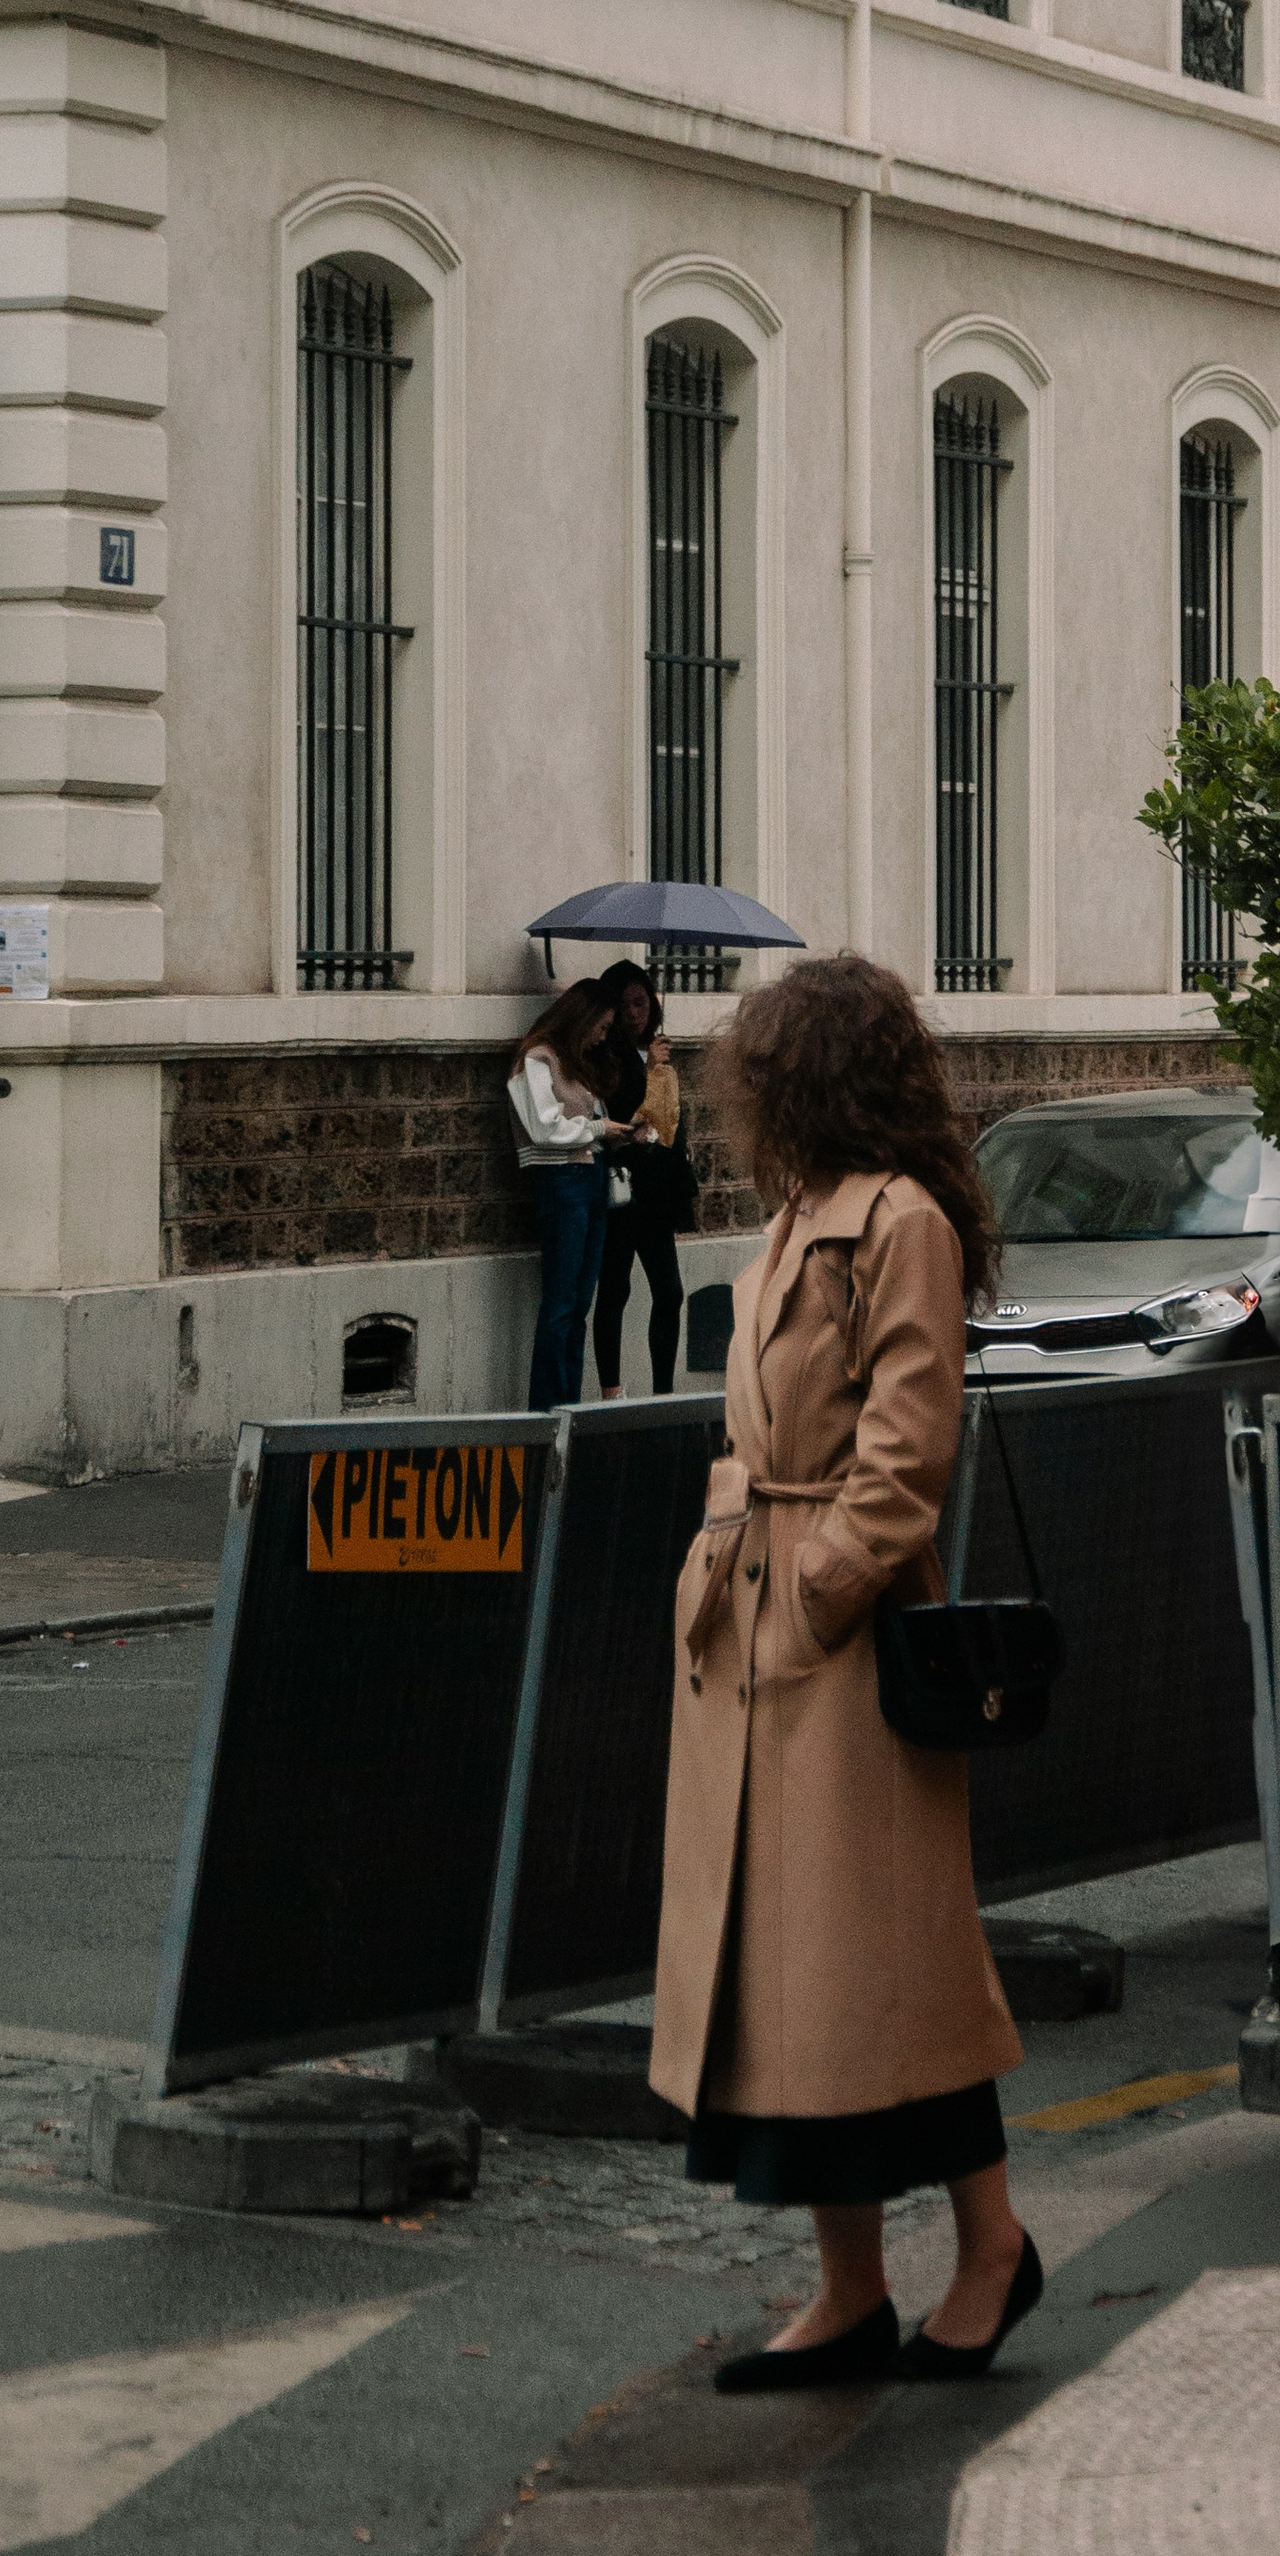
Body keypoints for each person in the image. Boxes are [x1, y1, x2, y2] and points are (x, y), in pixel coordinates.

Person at [650, 953, 1041, 2390]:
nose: (740, 1101)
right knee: (800, 1995)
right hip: (757, 1637)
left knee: (890, 1981)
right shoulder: (800, 1214)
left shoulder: (900, 1221)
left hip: (843, 1647)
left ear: (805, 1077)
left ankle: (989, 2248)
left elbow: (908, 1449)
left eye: (759, 1074)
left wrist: (815, 1595)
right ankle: (851, 2288)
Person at [509, 978, 623, 1407]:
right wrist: (597, 1128)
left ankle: (568, 1406)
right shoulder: (536, 1060)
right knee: (560, 1303)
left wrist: (617, 1134)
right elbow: (542, 1127)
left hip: (590, 1178)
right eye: (602, 1025)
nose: (603, 1035)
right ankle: (547, 1407)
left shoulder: (575, 1065)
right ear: (583, 1017)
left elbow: (586, 1127)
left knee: (579, 1305)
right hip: (560, 1182)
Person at [589, 960, 691, 1400]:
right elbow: (621, 1111)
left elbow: (670, 1121)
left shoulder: (658, 1054)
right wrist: (648, 1069)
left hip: (657, 1188)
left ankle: (663, 1391)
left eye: (642, 1001)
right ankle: (611, 1391)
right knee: (616, 1289)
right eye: (626, 1005)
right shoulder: (604, 1057)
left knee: (669, 1291)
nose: (636, 1013)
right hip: (622, 1185)